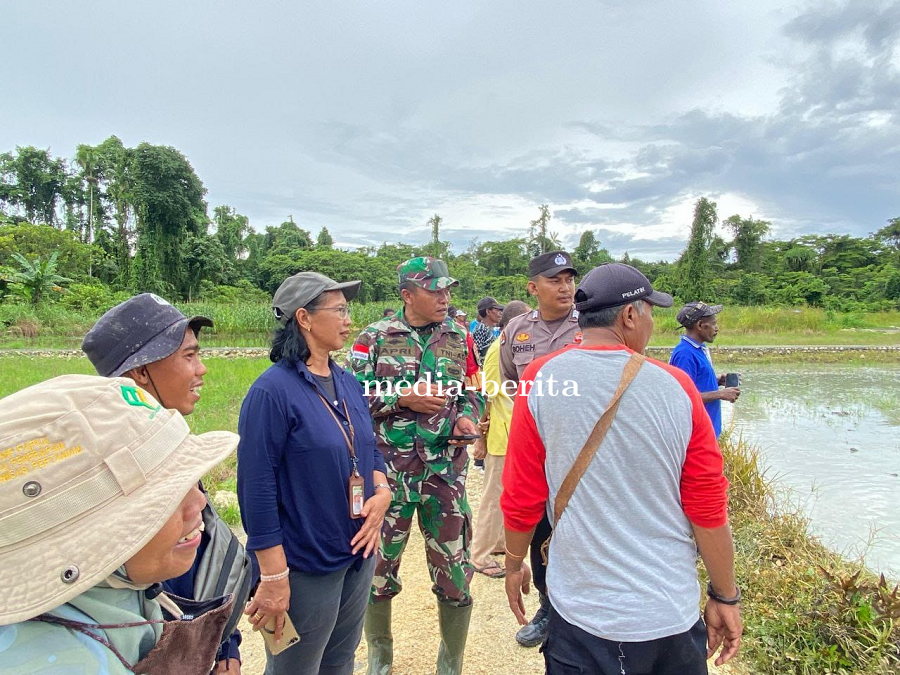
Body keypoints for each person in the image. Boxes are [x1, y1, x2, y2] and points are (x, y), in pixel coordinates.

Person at [502, 263, 742, 675]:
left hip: (581, 613)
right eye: (650, 311)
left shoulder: (541, 378)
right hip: (667, 612)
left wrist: (513, 563)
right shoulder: (677, 387)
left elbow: (523, 492)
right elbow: (706, 505)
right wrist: (725, 596)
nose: (651, 323)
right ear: (630, 315)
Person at [0, 374, 238, 674]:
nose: (199, 504)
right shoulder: (63, 664)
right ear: (88, 535)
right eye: (166, 495)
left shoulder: (115, 595)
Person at [82, 293, 251, 673]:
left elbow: (204, 550)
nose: (202, 369)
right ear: (141, 372)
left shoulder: (171, 445)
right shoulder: (107, 473)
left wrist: (224, 646)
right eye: (188, 356)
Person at [236, 272, 391, 675]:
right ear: (304, 318)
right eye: (339, 310)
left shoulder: (347, 382)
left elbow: (369, 447)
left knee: (340, 661)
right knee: (295, 667)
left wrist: (382, 490)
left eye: (347, 309)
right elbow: (256, 488)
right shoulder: (272, 392)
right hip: (305, 564)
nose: (348, 319)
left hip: (356, 554)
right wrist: (272, 575)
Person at [349, 256, 484, 675]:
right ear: (408, 295)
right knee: (376, 572)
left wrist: (466, 415)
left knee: (455, 574)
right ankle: (379, 660)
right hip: (390, 476)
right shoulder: (373, 338)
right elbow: (351, 403)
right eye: (435, 290)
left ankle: (451, 665)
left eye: (448, 290)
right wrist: (401, 400)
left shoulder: (459, 337)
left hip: (444, 473)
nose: (445, 297)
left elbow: (473, 390)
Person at [497, 250, 580, 647]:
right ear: (533, 288)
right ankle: (548, 608)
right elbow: (511, 381)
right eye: (554, 280)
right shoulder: (516, 329)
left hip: (584, 447)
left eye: (569, 279)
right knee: (538, 527)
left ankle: (585, 610)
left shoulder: (589, 323)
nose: (565, 287)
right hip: (537, 447)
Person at [470, 300, 530, 579]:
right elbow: (489, 396)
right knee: (494, 497)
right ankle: (480, 554)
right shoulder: (498, 349)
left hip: (512, 431)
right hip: (501, 432)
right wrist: (481, 437)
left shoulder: (511, 347)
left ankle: (499, 545)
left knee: (507, 495)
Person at [669, 301, 741, 437]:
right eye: (713, 323)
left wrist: (717, 381)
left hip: (708, 433)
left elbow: (695, 384)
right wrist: (720, 394)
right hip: (698, 437)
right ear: (700, 325)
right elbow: (682, 398)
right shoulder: (685, 354)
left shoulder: (698, 349)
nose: (717, 328)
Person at [472, 296, 504, 360]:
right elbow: (477, 354)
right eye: (497, 310)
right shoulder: (482, 328)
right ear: (488, 311)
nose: (500, 313)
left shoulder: (489, 329)